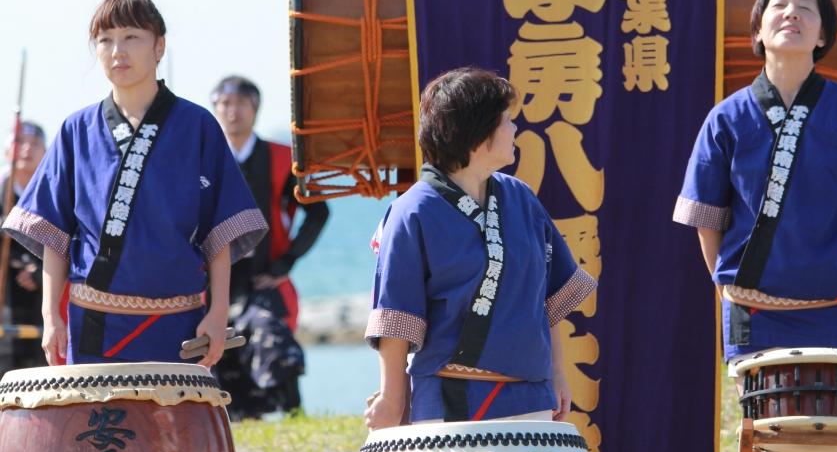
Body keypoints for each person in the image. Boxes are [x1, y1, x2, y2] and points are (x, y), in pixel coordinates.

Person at [674, 0, 837, 452]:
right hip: (756, 314)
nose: (791, 14)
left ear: (823, 34)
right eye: (779, 4)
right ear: (757, 29)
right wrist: (731, 292)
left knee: (826, 451)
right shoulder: (727, 118)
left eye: (806, 7)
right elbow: (707, 220)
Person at [2, 0, 268, 368]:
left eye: (131, 37)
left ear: (159, 46)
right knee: (95, 410)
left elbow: (219, 231)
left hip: (180, 323)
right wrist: (51, 316)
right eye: (105, 39)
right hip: (92, 322)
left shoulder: (197, 126)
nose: (117, 51)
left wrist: (218, 311)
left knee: (176, 409)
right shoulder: (76, 130)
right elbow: (54, 234)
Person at [364, 67, 597, 428]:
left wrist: (557, 373)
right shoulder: (412, 211)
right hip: (450, 401)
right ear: (478, 131)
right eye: (506, 121)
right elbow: (398, 315)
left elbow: (548, 299)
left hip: (532, 397)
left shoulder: (521, 198)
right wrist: (391, 399)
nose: (515, 129)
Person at [211, 75, 329, 415]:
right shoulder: (204, 160)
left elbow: (318, 212)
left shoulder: (282, 159)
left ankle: (295, 414)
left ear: (255, 108)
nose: (232, 111)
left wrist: (286, 263)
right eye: (224, 104)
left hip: (263, 277)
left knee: (272, 336)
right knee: (211, 352)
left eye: (240, 103)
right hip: (213, 284)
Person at [0, 122, 48, 373]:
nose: (27, 149)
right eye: (20, 142)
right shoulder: (2, 189)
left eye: (35, 144)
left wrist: (38, 272)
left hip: (41, 299)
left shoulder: (53, 192)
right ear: (7, 150)